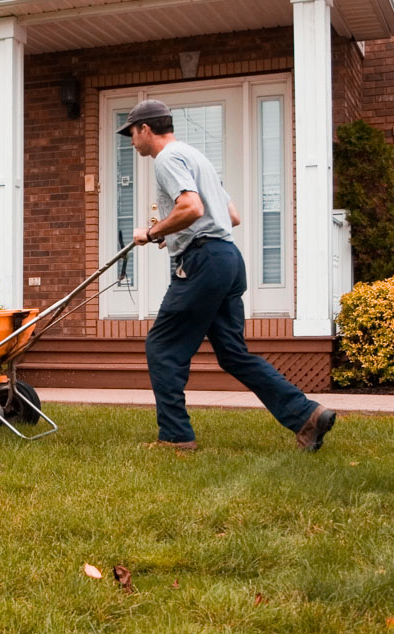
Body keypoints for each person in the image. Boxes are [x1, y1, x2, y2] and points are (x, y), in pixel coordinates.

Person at [119, 99, 335, 452]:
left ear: (145, 129)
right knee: (233, 354)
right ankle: (307, 415)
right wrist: (175, 233)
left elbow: (191, 207)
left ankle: (175, 437)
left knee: (163, 346)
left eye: (131, 133)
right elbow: (230, 215)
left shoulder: (167, 159)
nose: (130, 141)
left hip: (203, 261)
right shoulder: (197, 157)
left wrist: (154, 231)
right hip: (227, 259)